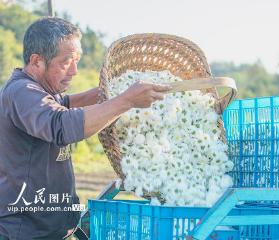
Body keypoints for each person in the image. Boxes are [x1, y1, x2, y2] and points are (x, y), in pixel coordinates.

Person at [0, 17, 170, 240]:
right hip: (26, 231)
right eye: (66, 62)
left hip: (51, 228)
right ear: (37, 61)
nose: (74, 71)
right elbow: (60, 125)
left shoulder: (44, 93)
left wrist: (110, 92)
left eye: (77, 60)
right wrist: (126, 101)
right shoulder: (22, 91)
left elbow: (66, 103)